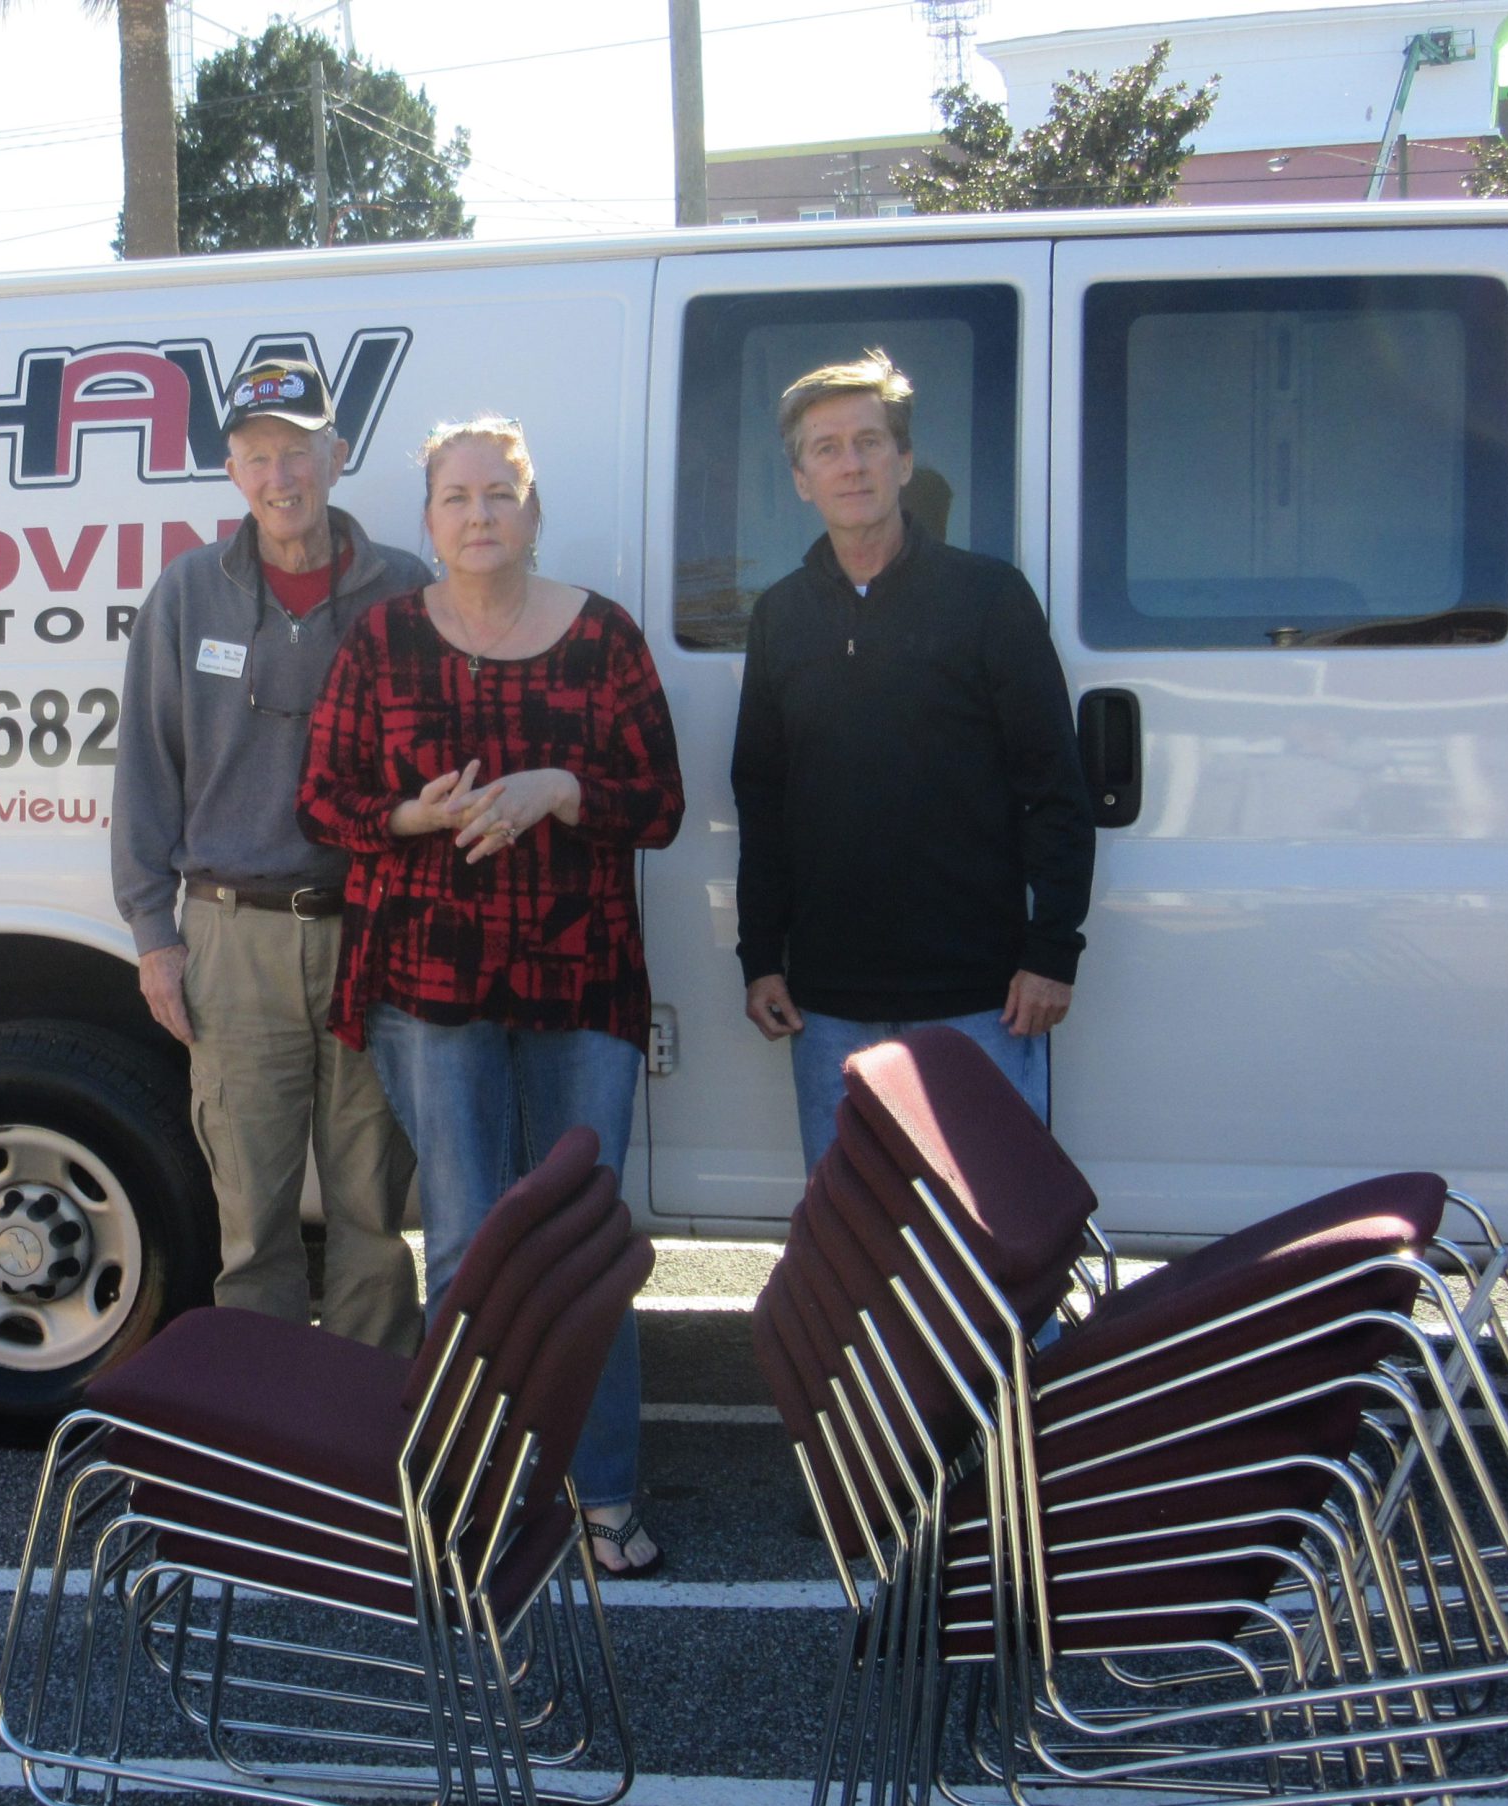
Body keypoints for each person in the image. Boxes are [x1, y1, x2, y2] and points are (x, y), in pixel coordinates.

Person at [297, 416, 685, 1578]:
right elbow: (327, 800)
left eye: (500, 492)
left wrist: (561, 783)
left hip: (581, 983)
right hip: (431, 984)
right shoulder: (382, 640)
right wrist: (416, 813)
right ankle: (471, 1489)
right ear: (426, 519)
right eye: (456, 496)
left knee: (581, 1240)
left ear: (533, 507)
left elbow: (655, 802)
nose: (478, 513)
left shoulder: (603, 638)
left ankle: (602, 1487)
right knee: (465, 1243)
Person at [112, 358, 428, 1354]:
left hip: (371, 933)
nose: (280, 473)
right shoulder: (188, 592)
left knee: (375, 1215)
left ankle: (377, 1441)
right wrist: (153, 933)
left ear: (336, 456)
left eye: (297, 450)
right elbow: (145, 769)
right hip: (230, 939)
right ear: (231, 470)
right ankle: (267, 1452)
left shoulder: (405, 591)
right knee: (251, 1220)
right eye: (257, 455)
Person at [732, 350, 1094, 1170]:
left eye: (869, 441)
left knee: (993, 1246)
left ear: (903, 462)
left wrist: (1050, 953)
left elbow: (1055, 788)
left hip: (977, 1003)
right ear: (800, 479)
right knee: (855, 1246)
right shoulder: (781, 616)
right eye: (826, 448)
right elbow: (764, 798)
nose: (850, 463)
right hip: (827, 1008)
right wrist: (762, 960)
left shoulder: (989, 598)